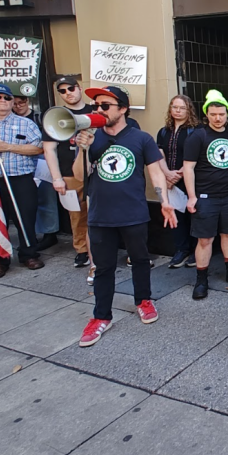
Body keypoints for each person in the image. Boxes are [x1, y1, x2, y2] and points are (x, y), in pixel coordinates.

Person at [72, 85, 175, 346]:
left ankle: (143, 300)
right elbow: (77, 175)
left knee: (140, 260)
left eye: (105, 106)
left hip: (133, 213)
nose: (99, 110)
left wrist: (164, 202)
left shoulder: (141, 138)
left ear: (123, 109)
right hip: (100, 215)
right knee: (103, 268)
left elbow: (154, 172)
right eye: (96, 106)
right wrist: (84, 149)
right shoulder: (92, 137)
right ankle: (100, 316)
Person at [183, 89, 228, 300]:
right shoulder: (197, 136)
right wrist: (191, 196)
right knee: (205, 239)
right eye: (213, 114)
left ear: (227, 114)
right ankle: (201, 279)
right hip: (205, 197)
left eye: (221, 114)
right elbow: (188, 168)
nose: (218, 118)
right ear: (206, 115)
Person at [0, 83, 45, 279]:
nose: (3, 101)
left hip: (20, 178)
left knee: (25, 218)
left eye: (7, 98)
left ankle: (28, 254)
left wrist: (6, 146)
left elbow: (38, 148)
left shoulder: (26, 124)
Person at [45, 76, 95, 269]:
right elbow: (49, 149)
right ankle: (82, 250)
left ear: (79, 88)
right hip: (69, 172)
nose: (68, 93)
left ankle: (99, 248)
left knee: (97, 213)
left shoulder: (94, 110)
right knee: (77, 214)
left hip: (95, 169)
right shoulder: (57, 115)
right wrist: (56, 178)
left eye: (71, 88)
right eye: (63, 91)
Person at [156, 94, 200, 268]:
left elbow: (197, 156)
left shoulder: (196, 130)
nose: (178, 111)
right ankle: (181, 250)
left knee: (193, 215)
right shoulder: (164, 131)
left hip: (188, 179)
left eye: (182, 108)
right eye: (175, 107)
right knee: (176, 215)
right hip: (169, 179)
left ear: (189, 110)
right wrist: (167, 173)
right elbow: (158, 153)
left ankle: (196, 251)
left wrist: (179, 174)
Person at [13, 94, 59, 251]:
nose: (18, 106)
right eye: (15, 103)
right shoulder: (12, 121)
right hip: (22, 163)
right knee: (28, 201)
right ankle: (33, 234)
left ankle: (50, 233)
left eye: (21, 102)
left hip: (42, 161)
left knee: (46, 198)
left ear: (27, 101)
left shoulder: (40, 117)